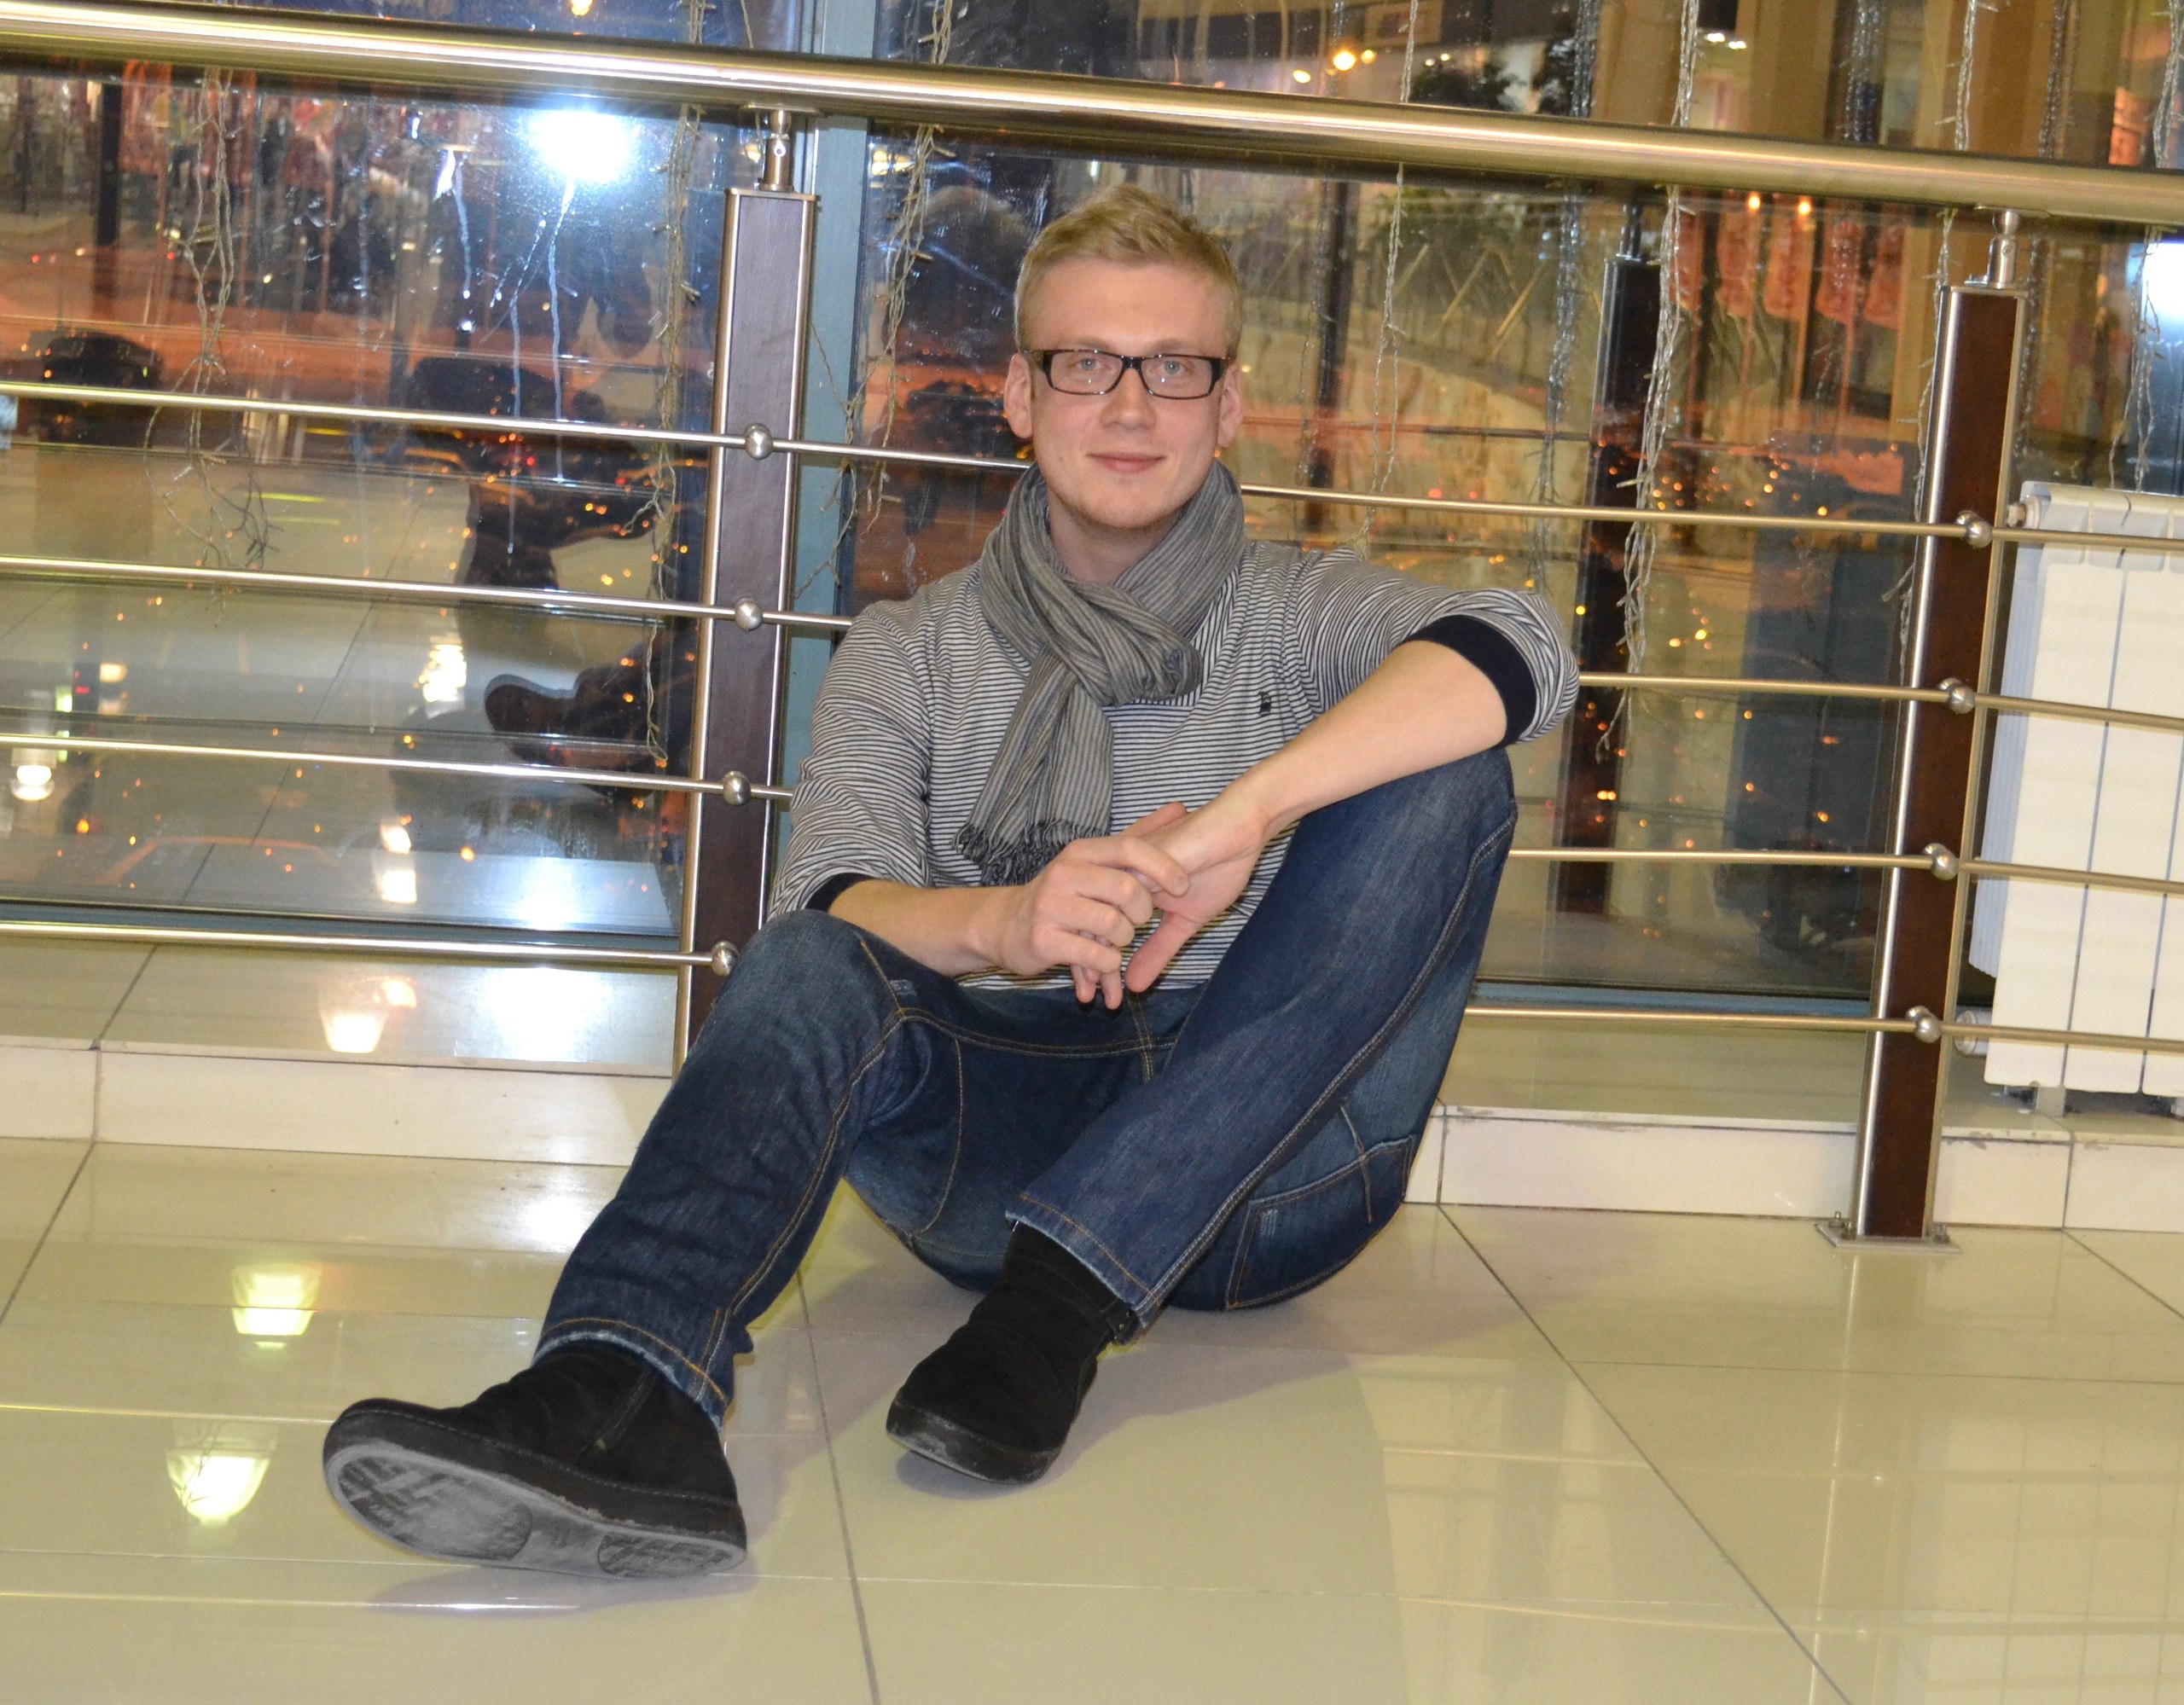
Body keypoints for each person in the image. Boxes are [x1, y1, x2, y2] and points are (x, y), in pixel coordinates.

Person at [320, 184, 1578, 1580]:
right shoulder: (911, 650)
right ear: (1020, 397)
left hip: (1273, 1182)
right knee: (805, 962)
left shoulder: (1301, 613)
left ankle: (1060, 1307)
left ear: (1230, 408)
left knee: (1450, 776)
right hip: (1003, 1140)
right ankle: (617, 1392)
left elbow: (1525, 643)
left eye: (1176, 368)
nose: (1131, 405)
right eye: (1086, 363)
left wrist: (1242, 822)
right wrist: (1008, 923)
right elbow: (830, 906)